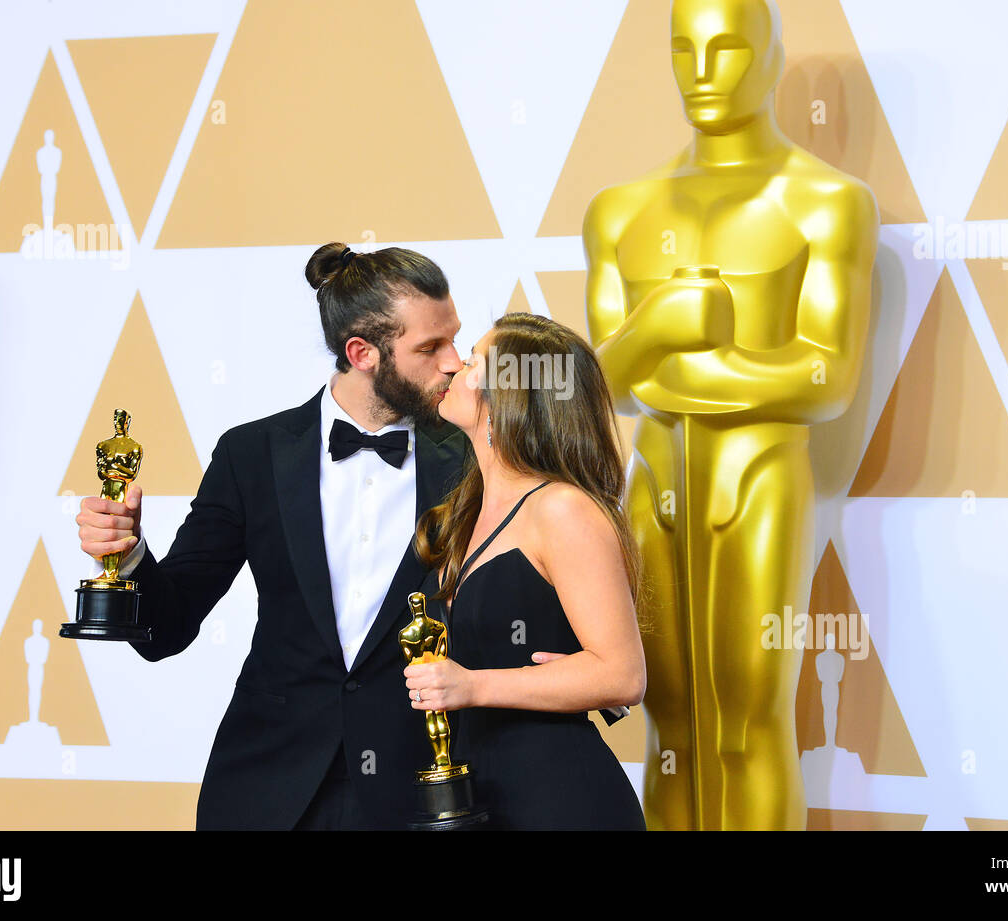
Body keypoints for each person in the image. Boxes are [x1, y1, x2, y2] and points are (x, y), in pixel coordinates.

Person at [75, 241, 469, 829]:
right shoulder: (252, 454)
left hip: (419, 789)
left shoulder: (471, 457)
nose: (455, 362)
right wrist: (128, 557)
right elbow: (169, 625)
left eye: (454, 339)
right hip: (268, 789)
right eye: (430, 347)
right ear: (361, 352)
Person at [405, 312, 648, 829]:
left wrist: (472, 686)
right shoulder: (470, 506)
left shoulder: (561, 508)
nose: (454, 369)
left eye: (472, 361)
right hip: (488, 794)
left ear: (511, 397)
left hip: (558, 800)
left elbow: (623, 675)